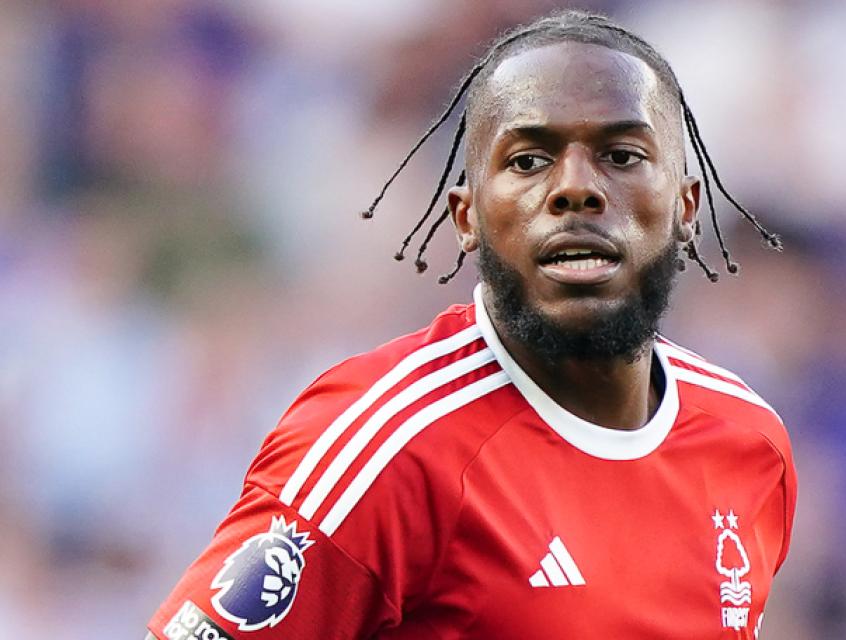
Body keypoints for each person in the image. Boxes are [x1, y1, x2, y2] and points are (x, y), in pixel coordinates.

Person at [147, 10, 796, 640]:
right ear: (466, 218)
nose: (576, 188)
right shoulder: (390, 446)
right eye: (528, 160)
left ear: (686, 206)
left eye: (622, 155)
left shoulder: (749, 442)